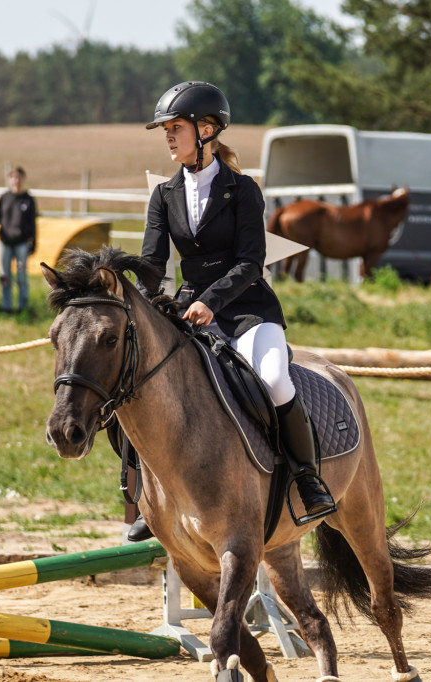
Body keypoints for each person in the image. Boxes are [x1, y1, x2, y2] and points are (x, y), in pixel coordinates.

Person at [122, 81, 336, 542]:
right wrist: (138, 303)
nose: (168, 137)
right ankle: (146, 498)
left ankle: (306, 477)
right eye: (166, 129)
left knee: (276, 379)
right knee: (138, 382)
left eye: (175, 128)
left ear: (207, 129)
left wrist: (209, 302)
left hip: (247, 311)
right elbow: (153, 263)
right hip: (187, 311)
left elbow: (249, 263)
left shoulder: (242, 191)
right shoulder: (163, 194)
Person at [0, 166, 37, 313]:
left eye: (18, 177)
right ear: (10, 180)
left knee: (21, 276)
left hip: (21, 242)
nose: (16, 181)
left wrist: (33, 242)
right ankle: (7, 307)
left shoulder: (28, 200)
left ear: (23, 179)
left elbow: (33, 223)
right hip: (4, 242)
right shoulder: (4, 198)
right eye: (13, 178)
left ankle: (22, 306)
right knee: (4, 276)